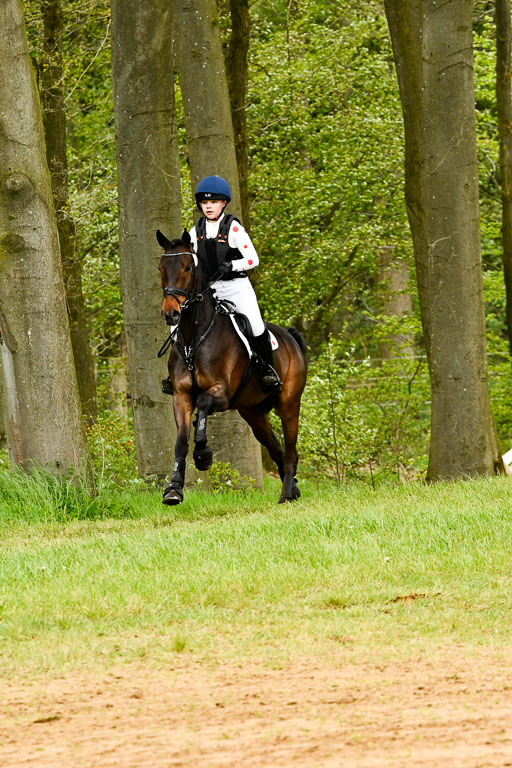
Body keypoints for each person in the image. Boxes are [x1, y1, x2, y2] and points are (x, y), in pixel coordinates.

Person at [189, 175, 281, 393]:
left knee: (256, 326)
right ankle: (180, 371)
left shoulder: (234, 229)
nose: (208, 206)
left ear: (224, 203)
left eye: (213, 202)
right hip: (209, 290)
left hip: (236, 288)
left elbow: (253, 260)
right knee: (181, 323)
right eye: (204, 202)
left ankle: (268, 371)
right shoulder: (195, 231)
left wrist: (231, 265)